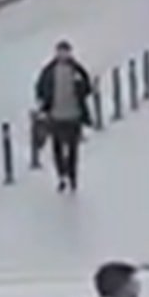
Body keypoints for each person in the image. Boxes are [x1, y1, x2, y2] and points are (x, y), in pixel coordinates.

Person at [29, 42, 97, 194]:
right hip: (56, 115)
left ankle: (72, 176)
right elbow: (40, 87)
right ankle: (61, 175)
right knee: (57, 147)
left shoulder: (76, 70)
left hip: (73, 115)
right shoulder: (49, 71)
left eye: (65, 52)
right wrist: (43, 103)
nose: (63, 55)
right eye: (60, 52)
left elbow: (87, 87)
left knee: (73, 148)